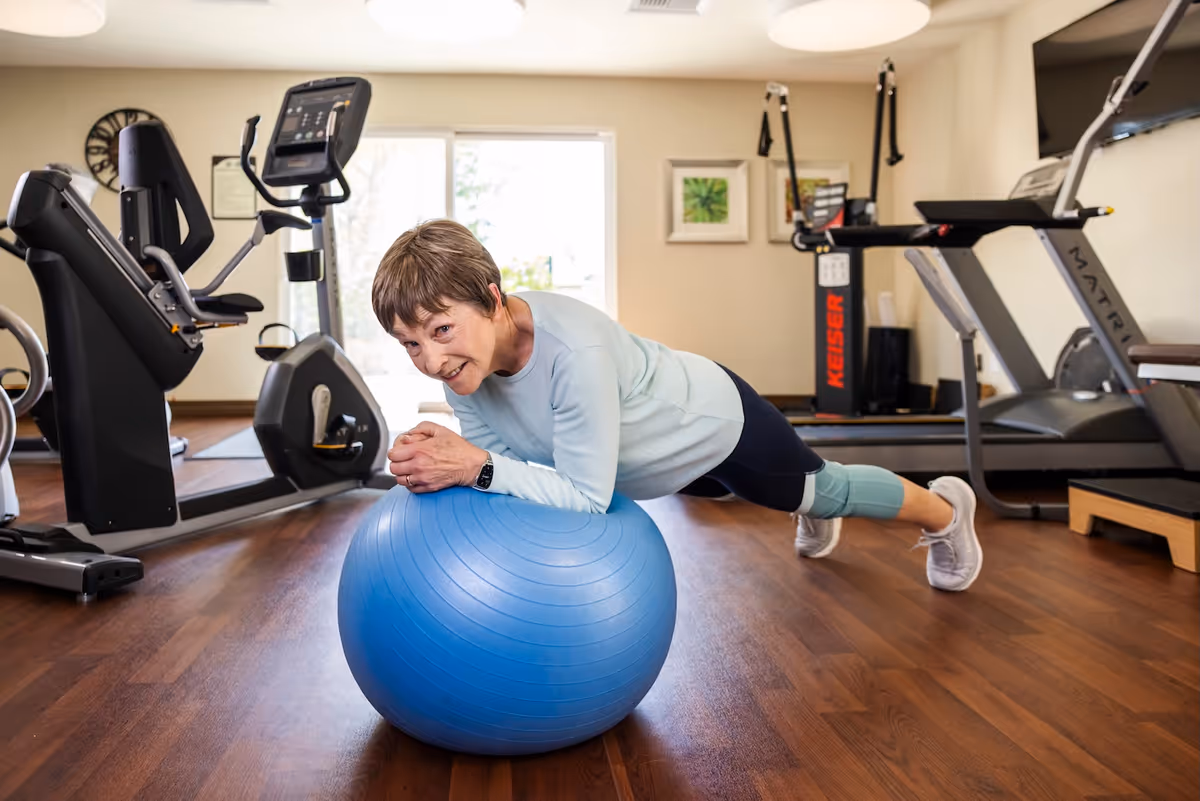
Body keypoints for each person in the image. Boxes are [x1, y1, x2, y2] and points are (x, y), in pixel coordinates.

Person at [373, 220, 983, 592]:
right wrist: (463, 458)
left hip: (712, 425)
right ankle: (808, 506)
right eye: (410, 345)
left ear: (492, 300)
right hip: (646, 466)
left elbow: (579, 495)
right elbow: (513, 470)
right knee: (746, 494)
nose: (429, 360)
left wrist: (470, 464)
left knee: (821, 489)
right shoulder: (464, 370)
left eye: (441, 330)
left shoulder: (572, 352)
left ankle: (946, 511)